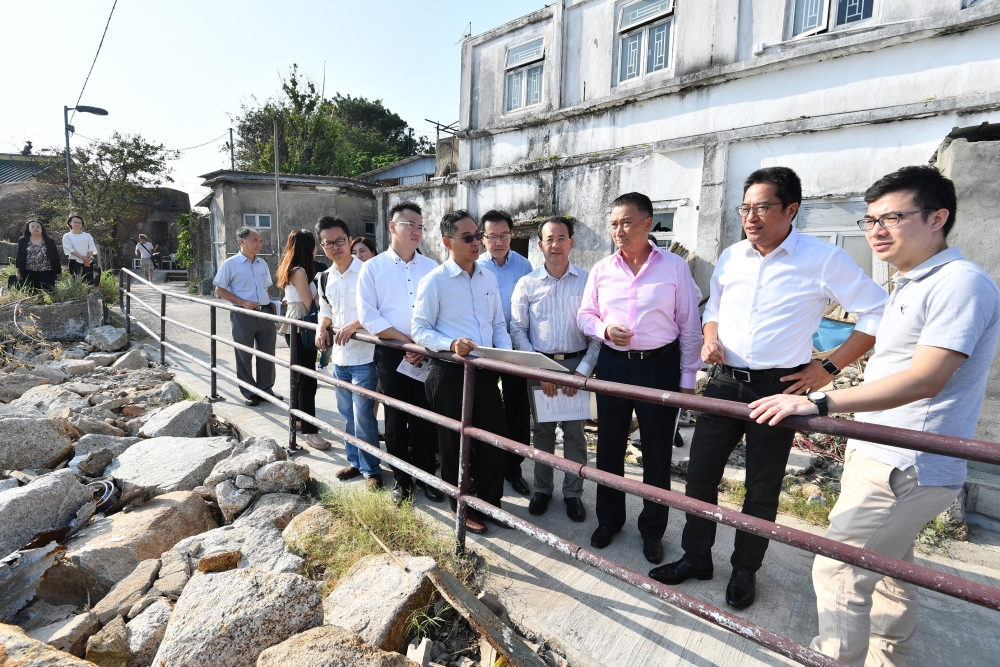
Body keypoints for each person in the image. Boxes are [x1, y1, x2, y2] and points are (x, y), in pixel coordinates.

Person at [748, 165, 1000, 666]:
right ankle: (890, 660)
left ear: (937, 218)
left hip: (905, 464)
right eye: (869, 220)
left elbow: (926, 378)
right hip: (884, 454)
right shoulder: (910, 283)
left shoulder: (959, 283)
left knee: (838, 571)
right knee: (890, 572)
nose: (876, 231)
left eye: (891, 218)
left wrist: (819, 401)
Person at [650, 167, 888, 610]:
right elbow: (715, 307)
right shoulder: (731, 256)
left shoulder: (823, 258)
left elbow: (877, 313)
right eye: (746, 207)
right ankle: (697, 556)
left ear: (791, 209)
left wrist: (829, 366)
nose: (751, 217)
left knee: (761, 488)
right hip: (723, 383)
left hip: (780, 389)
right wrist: (709, 337)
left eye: (763, 207)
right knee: (700, 475)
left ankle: (744, 571)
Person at [577, 192, 702, 563]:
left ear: (648, 223)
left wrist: (687, 379)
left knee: (657, 453)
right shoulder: (601, 269)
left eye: (626, 222)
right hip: (614, 366)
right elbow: (585, 315)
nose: (618, 230)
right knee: (609, 447)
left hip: (659, 367)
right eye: (613, 223)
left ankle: (652, 530)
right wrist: (604, 329)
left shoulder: (675, 267)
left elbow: (689, 327)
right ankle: (609, 519)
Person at [413, 210, 511, 534]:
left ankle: (491, 504)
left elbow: (498, 324)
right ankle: (461, 508)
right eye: (467, 237)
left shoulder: (487, 277)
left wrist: (507, 357)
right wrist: (451, 343)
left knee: (495, 441)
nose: (476, 243)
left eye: (477, 236)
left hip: (485, 372)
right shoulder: (435, 281)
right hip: (450, 373)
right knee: (456, 446)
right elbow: (420, 330)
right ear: (447, 242)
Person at [510, 216, 600, 522]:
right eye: (549, 239)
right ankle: (543, 490)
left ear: (571, 242)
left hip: (576, 365)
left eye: (562, 238)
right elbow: (517, 330)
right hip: (541, 366)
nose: (556, 244)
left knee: (575, 434)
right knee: (543, 431)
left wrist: (583, 372)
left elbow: (596, 332)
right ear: (540, 245)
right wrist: (539, 370)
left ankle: (573, 493)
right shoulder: (527, 283)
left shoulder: (588, 281)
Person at [357, 202, 441, 504]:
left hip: (427, 354)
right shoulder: (372, 268)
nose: (416, 231)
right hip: (392, 353)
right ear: (393, 227)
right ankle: (402, 480)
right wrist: (405, 341)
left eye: (420, 226)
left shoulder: (433, 268)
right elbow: (368, 315)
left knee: (426, 418)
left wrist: (424, 346)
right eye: (410, 224)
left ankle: (427, 477)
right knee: (394, 420)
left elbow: (440, 313)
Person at [314, 216, 384, 490]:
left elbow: (381, 309)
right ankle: (355, 461)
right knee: (346, 414)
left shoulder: (369, 272)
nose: (335, 247)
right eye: (328, 243)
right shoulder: (324, 278)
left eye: (340, 241)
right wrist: (322, 328)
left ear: (350, 240)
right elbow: (326, 308)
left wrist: (356, 324)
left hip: (366, 356)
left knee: (364, 415)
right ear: (322, 246)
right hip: (340, 358)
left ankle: (372, 470)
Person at [476, 210, 534, 496]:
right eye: (492, 236)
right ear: (482, 237)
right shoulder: (473, 265)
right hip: (484, 349)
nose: (499, 241)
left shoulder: (524, 267)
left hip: (516, 349)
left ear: (512, 235)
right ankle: (481, 465)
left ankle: (514, 467)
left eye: (504, 235)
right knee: (482, 409)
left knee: (518, 410)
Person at [213, 226, 281, 407]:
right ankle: (249, 392)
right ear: (241, 241)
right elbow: (219, 290)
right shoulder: (230, 264)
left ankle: (266, 390)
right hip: (242, 314)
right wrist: (242, 302)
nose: (259, 244)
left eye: (260, 241)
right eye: (255, 240)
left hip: (265, 312)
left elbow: (267, 287)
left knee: (267, 353)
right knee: (244, 353)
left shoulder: (263, 264)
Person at [276, 230, 329, 450]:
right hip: (301, 327)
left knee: (300, 376)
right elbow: (310, 304)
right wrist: (324, 290)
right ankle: (310, 433)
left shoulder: (296, 269)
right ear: (309, 248)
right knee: (307, 379)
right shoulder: (299, 271)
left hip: (296, 327)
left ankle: (298, 420)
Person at [15, 220, 62, 290]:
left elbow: (56, 257)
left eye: (38, 227)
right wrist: (18, 271)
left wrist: (58, 272)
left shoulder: (49, 241)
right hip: (29, 271)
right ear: (29, 229)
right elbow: (19, 257)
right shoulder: (23, 240)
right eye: (32, 227)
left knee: (49, 291)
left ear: (41, 229)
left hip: (47, 271)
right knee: (32, 292)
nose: (35, 228)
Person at [62, 214, 97, 284]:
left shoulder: (87, 235)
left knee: (92, 281)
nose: (77, 224)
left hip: (89, 262)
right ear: (70, 223)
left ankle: (92, 294)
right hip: (75, 262)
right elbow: (69, 249)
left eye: (79, 222)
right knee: (77, 282)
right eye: (75, 222)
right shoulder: (67, 236)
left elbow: (91, 247)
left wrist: (88, 259)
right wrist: (83, 258)